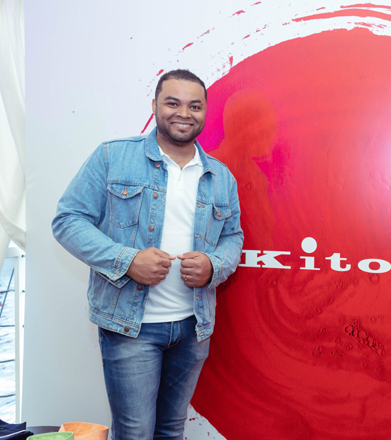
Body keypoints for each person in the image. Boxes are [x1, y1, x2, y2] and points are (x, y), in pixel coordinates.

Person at [52, 69, 243, 440]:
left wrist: (213, 265)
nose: (183, 113)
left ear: (205, 112)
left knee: (171, 430)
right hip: (130, 327)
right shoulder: (112, 156)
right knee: (135, 432)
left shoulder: (221, 177)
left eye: (194, 106)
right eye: (173, 103)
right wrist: (127, 260)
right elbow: (68, 220)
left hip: (193, 327)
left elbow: (232, 237)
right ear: (155, 105)